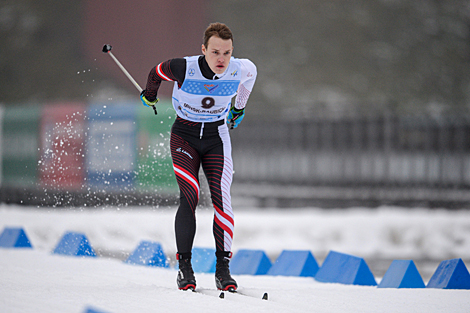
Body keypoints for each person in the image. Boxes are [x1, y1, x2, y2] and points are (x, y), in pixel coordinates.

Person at [140, 22, 257, 291]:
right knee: (190, 195)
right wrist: (149, 95)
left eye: (227, 53)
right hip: (185, 136)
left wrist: (238, 108)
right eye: (215, 52)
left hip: (217, 137)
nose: (221, 59)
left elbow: (250, 79)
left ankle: (223, 270)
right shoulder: (184, 67)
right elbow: (156, 72)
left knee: (222, 198)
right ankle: (185, 268)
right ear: (203, 49)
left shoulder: (241, 68)